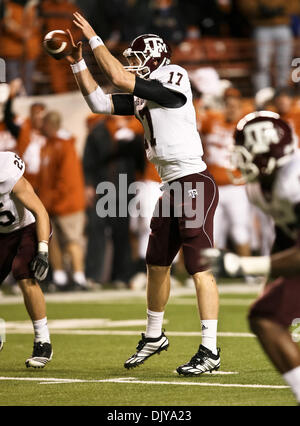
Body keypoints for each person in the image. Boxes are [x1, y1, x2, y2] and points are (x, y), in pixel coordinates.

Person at [53, 11, 221, 375]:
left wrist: (94, 38)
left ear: (158, 59)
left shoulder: (174, 78)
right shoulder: (146, 95)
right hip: (171, 185)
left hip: (193, 181)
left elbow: (115, 76)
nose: (132, 64)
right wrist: (77, 63)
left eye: (137, 58)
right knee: (156, 262)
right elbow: (99, 103)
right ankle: (154, 336)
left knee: (197, 265)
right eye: (130, 59)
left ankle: (210, 348)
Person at [202, 111, 300, 403]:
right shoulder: (262, 187)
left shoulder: (293, 182)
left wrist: (245, 265)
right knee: (266, 315)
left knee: (266, 317)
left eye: (244, 150)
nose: (237, 158)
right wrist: (269, 287)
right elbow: (285, 238)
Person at [0, 151, 52, 368]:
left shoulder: (6, 172)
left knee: (24, 271)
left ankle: (43, 341)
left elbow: (40, 211)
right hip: (2, 234)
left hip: (27, 228)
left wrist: (42, 250)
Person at [37, 111, 87, 290]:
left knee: (73, 240)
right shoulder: (48, 146)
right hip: (52, 204)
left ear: (50, 125)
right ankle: (59, 278)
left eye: (43, 124)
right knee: (53, 242)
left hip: (67, 204)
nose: (40, 127)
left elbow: (67, 179)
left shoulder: (64, 146)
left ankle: (79, 278)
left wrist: (52, 200)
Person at [200, 88, 252, 257]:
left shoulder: (246, 127)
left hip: (236, 186)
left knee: (240, 230)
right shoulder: (211, 120)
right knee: (211, 231)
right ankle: (211, 273)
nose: (231, 109)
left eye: (235, 106)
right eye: (228, 105)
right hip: (213, 186)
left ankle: (249, 273)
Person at [237, 0, 300, 93]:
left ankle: (283, 93)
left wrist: (282, 10)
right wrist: (259, 10)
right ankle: (262, 93)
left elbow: (295, 3)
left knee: (284, 63)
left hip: (283, 25)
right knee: (261, 64)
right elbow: (246, 4)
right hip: (261, 26)